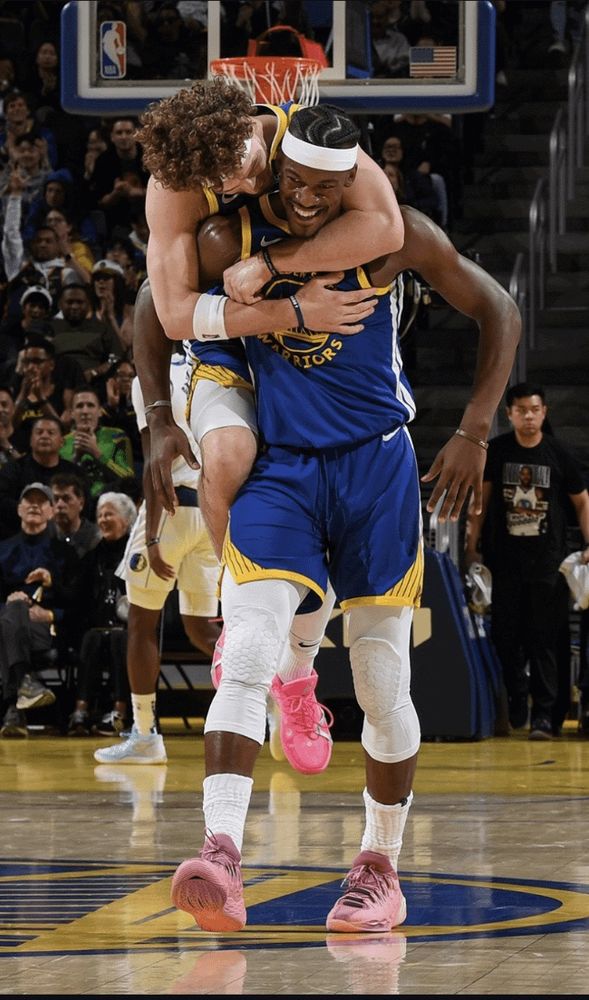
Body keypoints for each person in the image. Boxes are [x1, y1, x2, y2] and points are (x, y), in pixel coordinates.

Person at [167, 104, 520, 934]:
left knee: (378, 679)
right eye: (291, 183)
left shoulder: (396, 237)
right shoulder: (227, 241)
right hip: (282, 467)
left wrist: (473, 430)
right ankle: (219, 853)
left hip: (376, 464)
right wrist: (156, 412)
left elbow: (497, 307)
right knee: (246, 643)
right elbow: (159, 309)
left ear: (355, 184)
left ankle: (377, 866)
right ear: (273, 169)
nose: (303, 200)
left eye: (325, 189)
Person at [136, 79, 404, 562]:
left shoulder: (306, 134)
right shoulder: (173, 189)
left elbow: (388, 226)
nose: (246, 187)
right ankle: (231, 598)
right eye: (225, 187)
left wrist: (271, 264)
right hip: (228, 332)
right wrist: (296, 310)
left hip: (294, 309)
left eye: (251, 169)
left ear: (249, 127)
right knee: (228, 455)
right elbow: (169, 312)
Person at [94, 290, 221, 765]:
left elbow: (156, 463)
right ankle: (266, 695)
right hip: (212, 514)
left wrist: (149, 534)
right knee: (200, 629)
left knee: (142, 623)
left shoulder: (152, 379)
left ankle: (145, 734)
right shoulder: (224, 373)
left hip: (169, 509)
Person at [465, 382, 589, 740]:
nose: (529, 416)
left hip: (548, 565)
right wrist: (471, 545)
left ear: (544, 412)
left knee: (546, 641)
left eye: (535, 410)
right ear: (510, 414)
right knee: (506, 637)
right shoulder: (499, 451)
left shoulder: (558, 453)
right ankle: (517, 701)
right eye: (522, 411)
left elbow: (582, 501)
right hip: (504, 562)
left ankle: (545, 718)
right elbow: (481, 502)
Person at [0, 481, 78, 738]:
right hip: (9, 622)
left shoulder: (65, 552)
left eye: (41, 501)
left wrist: (51, 585)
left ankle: (14, 704)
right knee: (13, 610)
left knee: (8, 623)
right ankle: (23, 687)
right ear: (19, 509)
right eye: (28, 500)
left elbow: (78, 601)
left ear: (51, 511)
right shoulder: (3, 549)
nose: (34, 505)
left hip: (46, 628)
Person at [67, 492, 137, 736]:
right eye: (100, 515)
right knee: (91, 637)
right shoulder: (93, 555)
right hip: (98, 626)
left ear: (127, 519)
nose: (103, 519)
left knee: (120, 638)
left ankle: (121, 711)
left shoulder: (135, 553)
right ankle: (81, 710)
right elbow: (77, 594)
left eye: (109, 514)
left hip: (131, 628)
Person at [0, 415, 83, 539]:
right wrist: (35, 513)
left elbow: (84, 505)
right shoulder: (13, 469)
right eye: (39, 432)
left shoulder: (74, 472)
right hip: (18, 535)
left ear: (61, 442)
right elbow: (2, 502)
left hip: (65, 537)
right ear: (30, 440)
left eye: (51, 433)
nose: (44, 436)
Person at [59, 386, 136, 501]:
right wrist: (75, 459)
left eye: (90, 405)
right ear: (72, 413)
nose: (85, 411)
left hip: (110, 502)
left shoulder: (117, 436)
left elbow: (129, 480)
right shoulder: (62, 442)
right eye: (80, 406)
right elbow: (57, 483)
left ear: (100, 411)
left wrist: (97, 454)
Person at [49, 472, 100, 558]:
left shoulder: (96, 538)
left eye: (66, 499)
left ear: (81, 503)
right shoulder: (43, 535)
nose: (60, 505)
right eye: (56, 499)